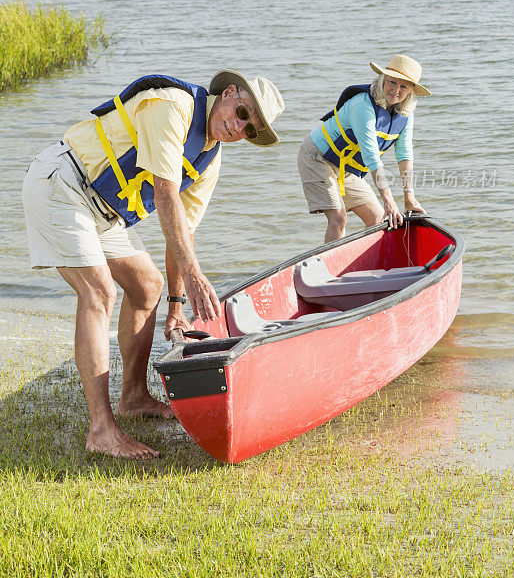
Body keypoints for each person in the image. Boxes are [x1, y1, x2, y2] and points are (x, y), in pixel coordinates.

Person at [22, 70, 284, 460]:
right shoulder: (172, 105)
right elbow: (165, 196)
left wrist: (177, 305)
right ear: (229, 93)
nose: (239, 125)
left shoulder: (210, 157)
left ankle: (133, 396)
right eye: (243, 111)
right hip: (64, 183)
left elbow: (185, 231)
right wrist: (195, 277)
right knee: (99, 293)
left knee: (148, 287)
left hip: (107, 212)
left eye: (249, 129)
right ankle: (101, 430)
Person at [297, 54, 430, 242]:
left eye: (403, 86)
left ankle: (362, 265)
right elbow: (371, 156)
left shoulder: (405, 114)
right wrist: (389, 201)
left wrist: (409, 198)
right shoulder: (363, 105)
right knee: (338, 218)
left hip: (345, 169)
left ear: (411, 91)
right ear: (383, 79)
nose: (396, 90)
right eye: (392, 82)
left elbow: (404, 154)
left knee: (377, 219)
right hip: (317, 158)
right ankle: (330, 270)